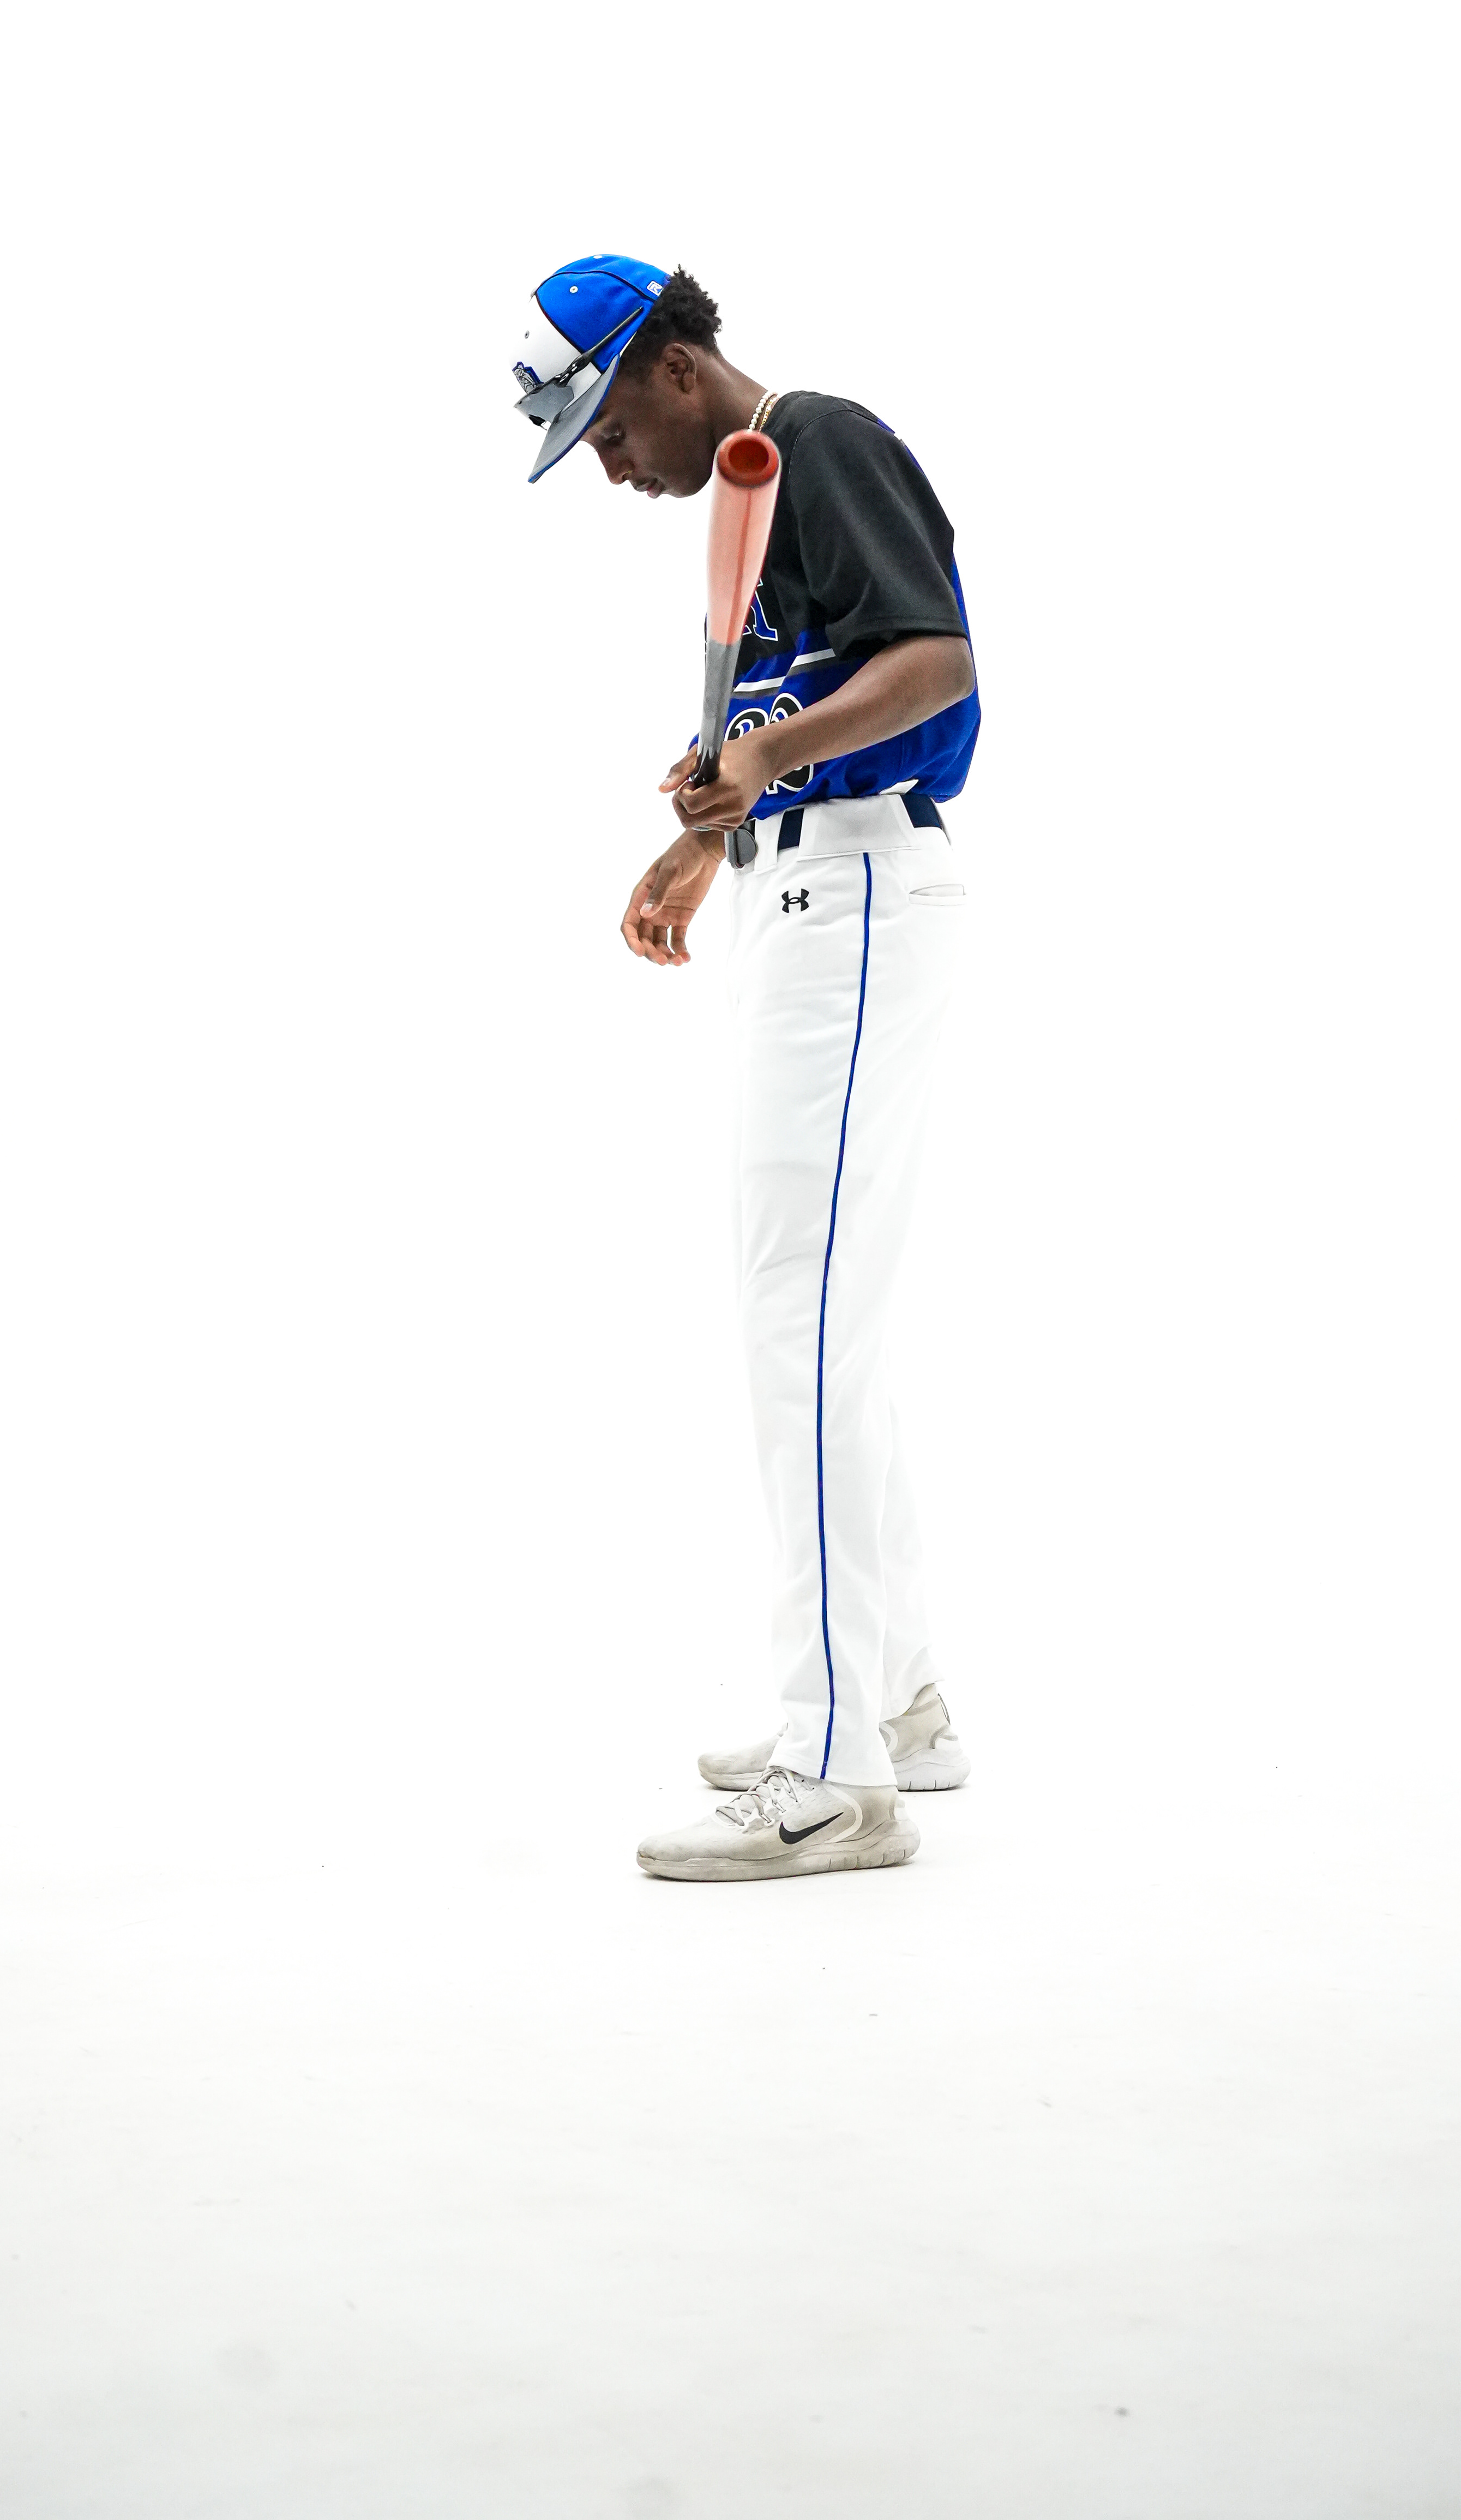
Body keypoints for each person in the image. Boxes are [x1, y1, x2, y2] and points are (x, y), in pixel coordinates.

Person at [514, 255, 980, 1881]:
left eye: (604, 428)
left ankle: (833, 1769)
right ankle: (896, 1701)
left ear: (672, 366)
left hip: (855, 899)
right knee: (824, 1323)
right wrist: (707, 837)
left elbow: (935, 664)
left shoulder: (818, 439)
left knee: (802, 1329)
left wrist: (766, 759)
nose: (608, 468)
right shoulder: (752, 492)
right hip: (818, 890)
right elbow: (803, 716)